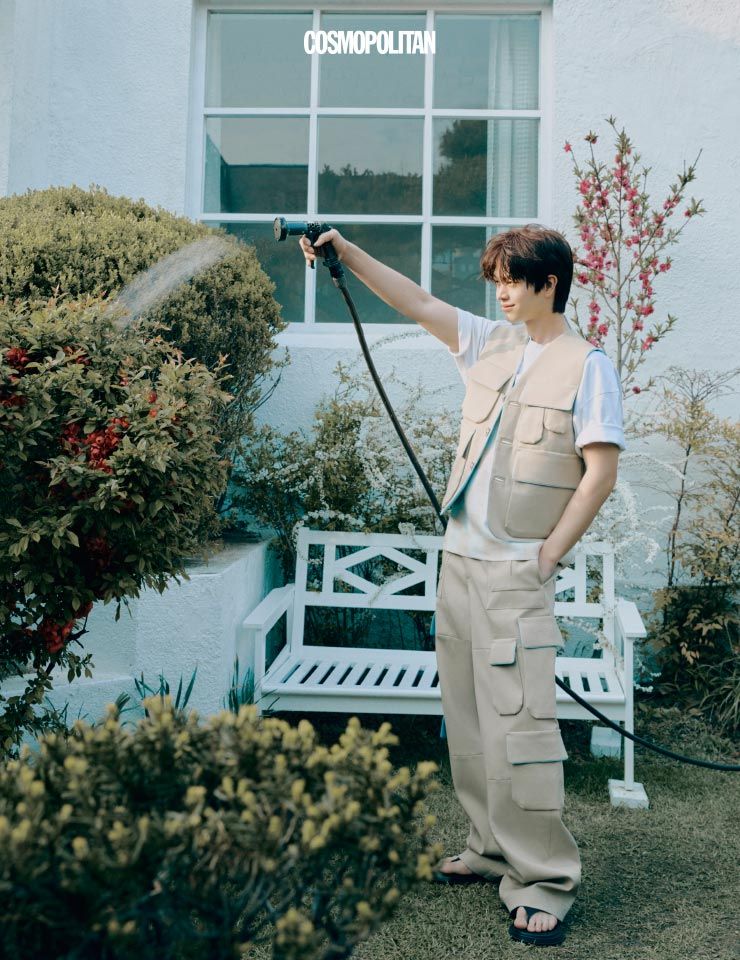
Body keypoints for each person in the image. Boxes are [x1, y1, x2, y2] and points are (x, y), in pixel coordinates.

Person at [299, 224, 625, 947]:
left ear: (549, 283)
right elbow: (415, 301)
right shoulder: (489, 343)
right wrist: (343, 251)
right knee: (470, 725)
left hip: (516, 574)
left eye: (512, 281)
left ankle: (544, 879)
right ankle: (488, 849)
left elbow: (600, 472)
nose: (500, 293)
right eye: (496, 281)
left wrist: (547, 556)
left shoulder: (588, 366)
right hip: (460, 565)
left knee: (521, 730)